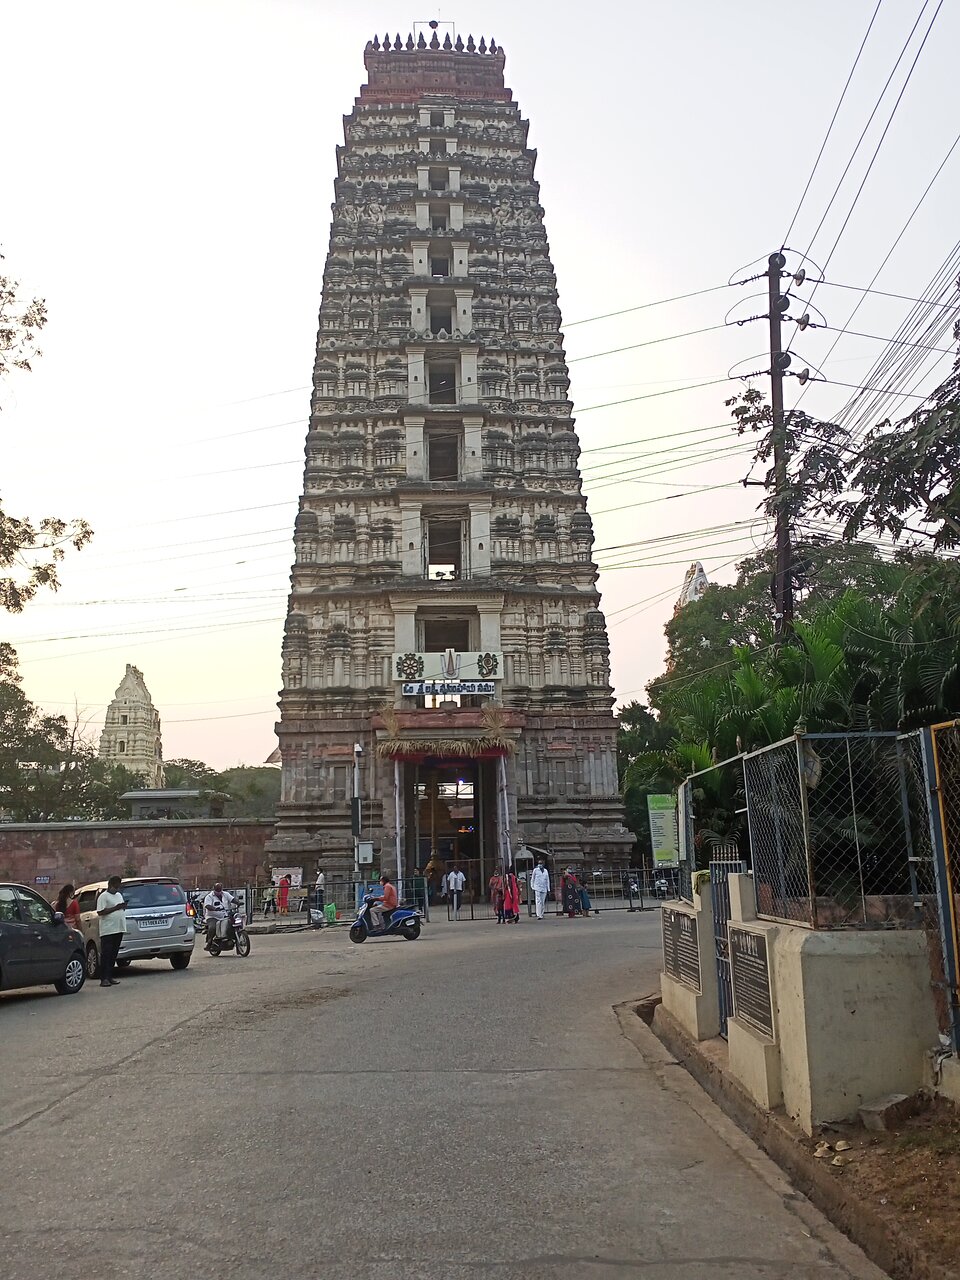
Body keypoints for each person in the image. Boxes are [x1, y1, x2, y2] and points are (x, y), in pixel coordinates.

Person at [96, 875, 127, 987]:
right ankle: (103, 978)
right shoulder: (103, 896)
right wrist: (116, 907)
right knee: (107, 954)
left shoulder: (119, 895)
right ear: (110, 885)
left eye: (118, 887)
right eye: (115, 886)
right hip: (108, 930)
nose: (117, 889)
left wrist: (123, 906)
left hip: (118, 928)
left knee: (114, 954)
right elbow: (100, 912)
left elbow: (120, 907)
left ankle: (110, 976)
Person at [203, 882, 236, 950]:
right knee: (213, 927)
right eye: (217, 891)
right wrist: (214, 908)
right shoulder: (209, 896)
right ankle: (209, 942)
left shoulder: (226, 894)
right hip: (212, 917)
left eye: (220, 890)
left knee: (232, 923)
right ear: (214, 889)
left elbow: (232, 899)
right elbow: (207, 905)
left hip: (224, 916)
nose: (218, 892)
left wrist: (238, 902)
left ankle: (231, 938)